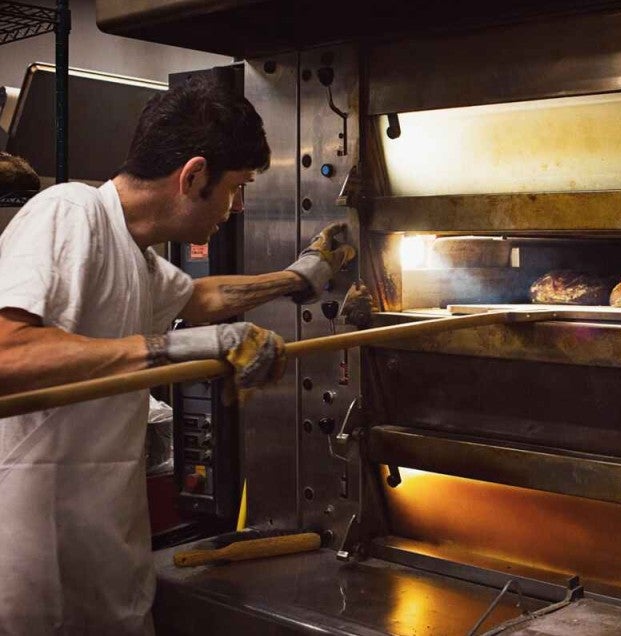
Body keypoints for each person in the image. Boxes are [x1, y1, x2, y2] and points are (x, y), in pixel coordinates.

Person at [0, 77, 356, 634]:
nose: (235, 208)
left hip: (106, 558)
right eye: (235, 187)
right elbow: (7, 355)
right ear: (193, 176)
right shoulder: (68, 212)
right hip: (33, 570)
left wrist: (299, 276)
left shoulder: (134, 253)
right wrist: (177, 346)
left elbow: (200, 296)